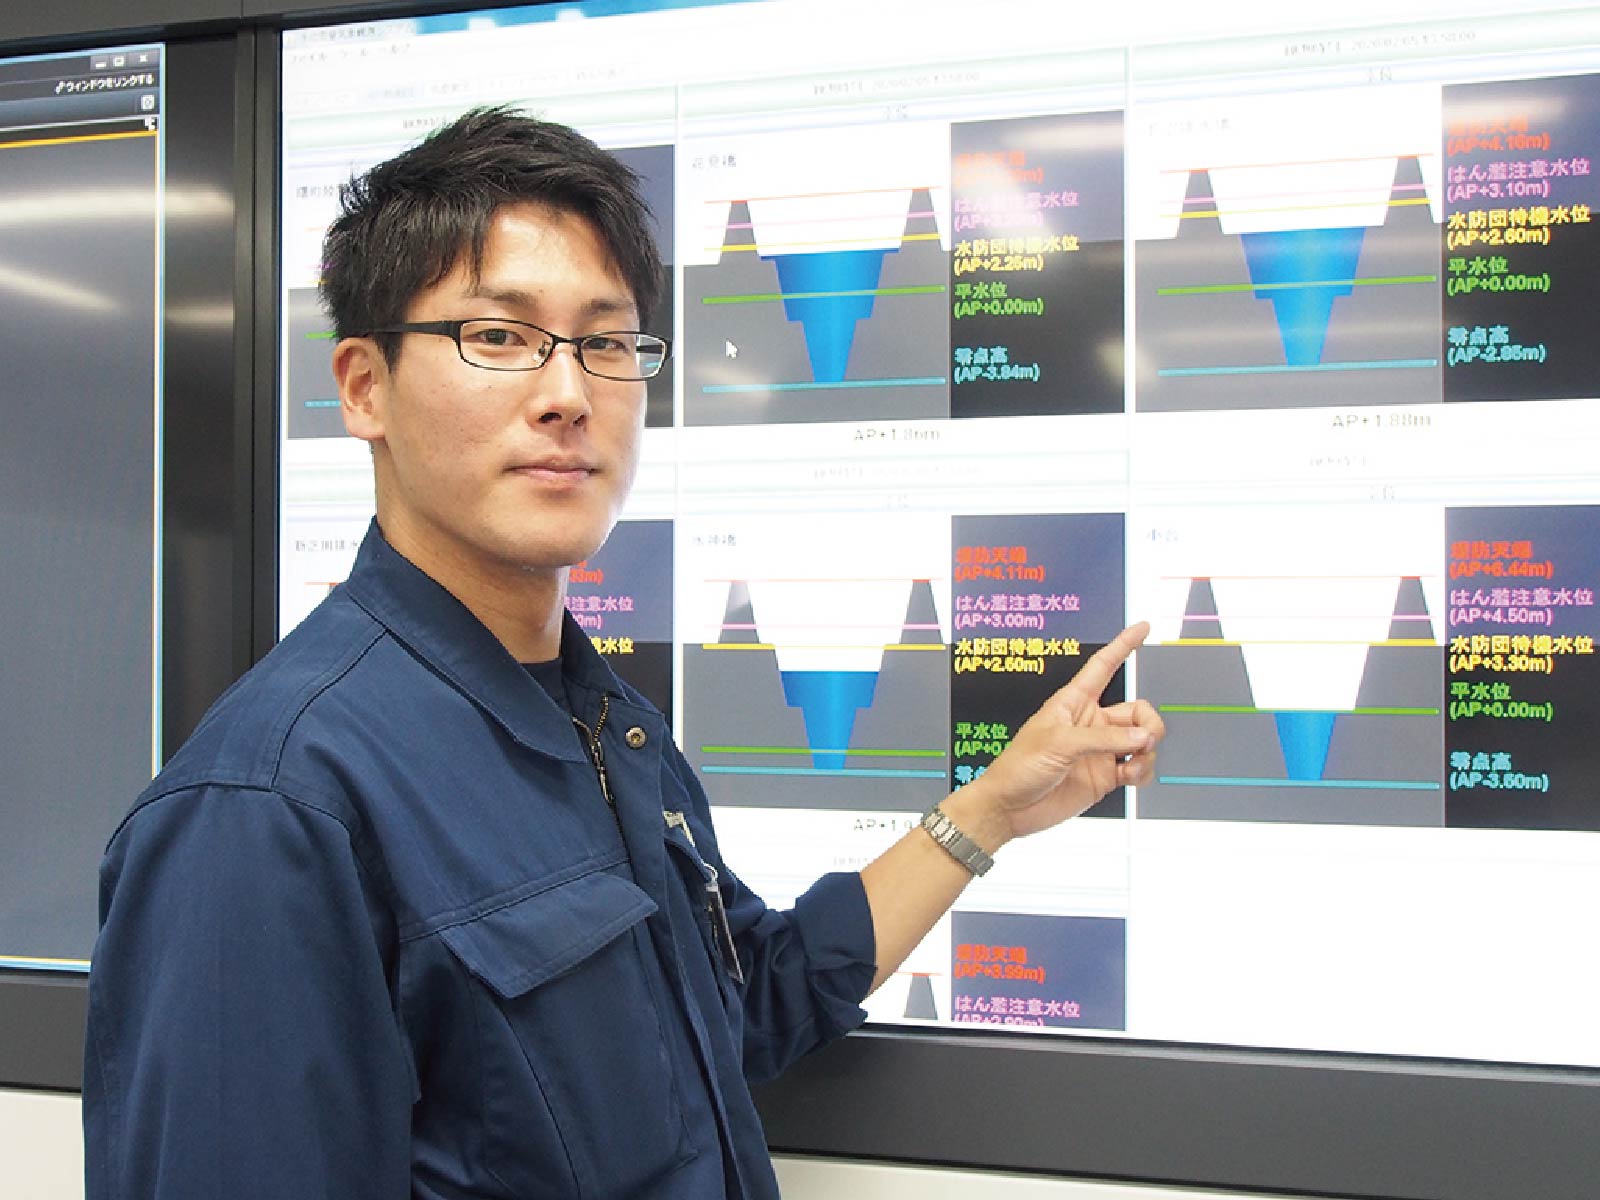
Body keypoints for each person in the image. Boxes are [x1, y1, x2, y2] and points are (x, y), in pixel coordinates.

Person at [84, 107, 1164, 1199]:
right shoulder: (269, 807)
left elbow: (743, 1005)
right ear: (365, 387)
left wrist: (992, 810)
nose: (568, 395)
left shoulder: (601, 722)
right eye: (498, 336)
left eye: (604, 343)